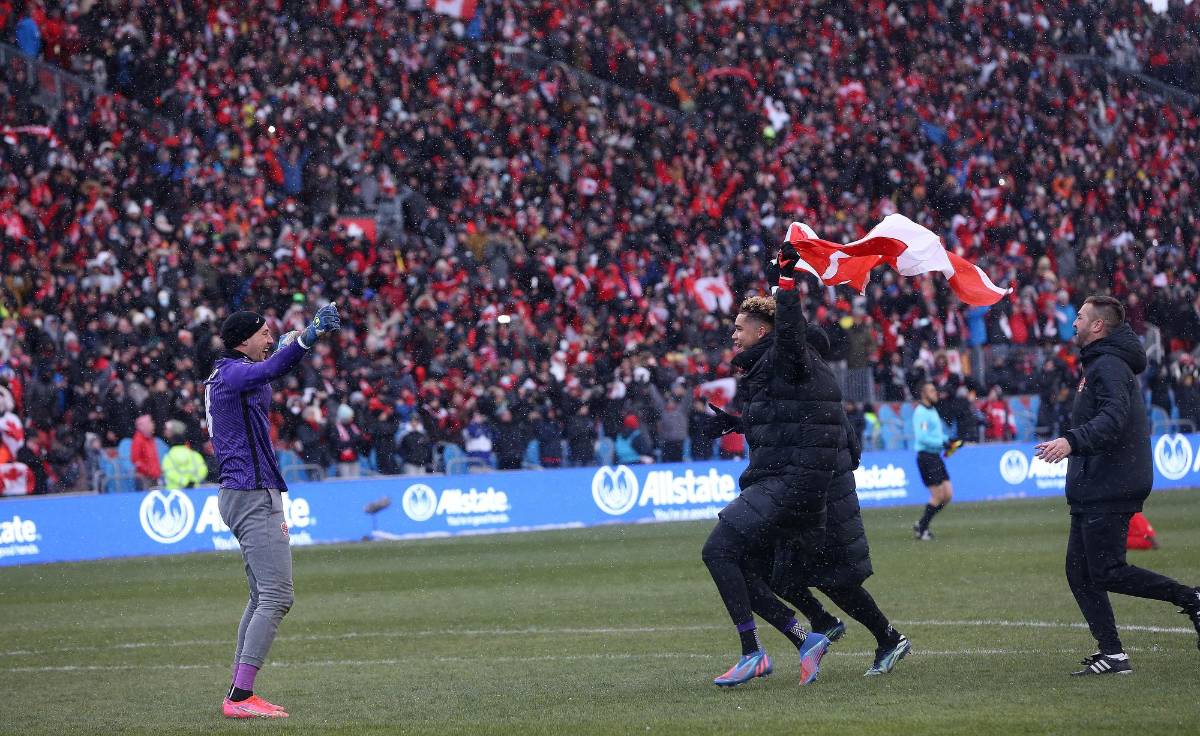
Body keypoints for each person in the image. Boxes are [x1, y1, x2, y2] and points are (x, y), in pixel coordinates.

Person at [1034, 295, 1200, 676]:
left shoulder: (1108, 365)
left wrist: (1071, 442)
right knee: (1080, 572)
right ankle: (1113, 654)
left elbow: (1112, 419)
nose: (1072, 323)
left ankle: (1191, 597)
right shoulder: (1101, 364)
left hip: (1110, 482)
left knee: (1107, 570)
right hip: (1098, 482)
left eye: (1078, 317)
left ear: (1097, 326)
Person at [700, 244, 834, 689]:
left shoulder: (783, 355)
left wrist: (785, 282)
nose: (733, 336)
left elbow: (791, 331)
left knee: (717, 550)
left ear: (762, 330)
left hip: (788, 481)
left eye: (739, 328)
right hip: (785, 479)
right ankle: (804, 637)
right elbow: (781, 423)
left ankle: (753, 654)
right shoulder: (763, 371)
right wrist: (737, 424)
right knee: (743, 566)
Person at [206, 304, 341, 717]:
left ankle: (239, 690)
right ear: (242, 340)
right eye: (264, 333)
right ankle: (241, 697)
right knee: (278, 596)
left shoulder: (226, 373)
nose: (270, 338)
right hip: (251, 494)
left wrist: (284, 347)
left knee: (261, 595)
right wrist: (304, 339)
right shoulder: (233, 372)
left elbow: (264, 375)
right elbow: (265, 374)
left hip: (244, 492)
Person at [768, 325, 912, 677]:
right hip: (816, 500)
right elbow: (853, 451)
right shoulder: (818, 391)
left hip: (826, 503)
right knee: (783, 572)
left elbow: (837, 450)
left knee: (834, 581)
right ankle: (825, 620)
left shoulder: (816, 392)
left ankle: (887, 637)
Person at [912, 382, 958, 541]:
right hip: (926, 457)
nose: (935, 393)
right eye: (932, 390)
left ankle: (921, 523)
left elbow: (936, 435)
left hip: (935, 457)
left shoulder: (932, 410)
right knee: (938, 495)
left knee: (948, 495)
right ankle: (922, 529)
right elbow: (922, 438)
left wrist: (949, 440)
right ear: (924, 394)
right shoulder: (921, 412)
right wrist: (941, 443)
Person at [161, 419, 208, 489]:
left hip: (174, 492)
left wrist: (184, 481)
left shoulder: (168, 456)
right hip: (195, 491)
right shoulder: (194, 455)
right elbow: (203, 470)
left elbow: (169, 472)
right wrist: (193, 481)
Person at [130, 414, 161, 490]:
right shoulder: (138, 440)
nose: (152, 425)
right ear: (143, 426)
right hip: (145, 478)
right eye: (150, 423)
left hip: (153, 476)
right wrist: (149, 471)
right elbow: (136, 460)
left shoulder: (149, 439)